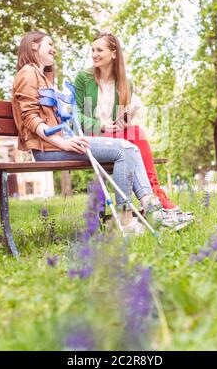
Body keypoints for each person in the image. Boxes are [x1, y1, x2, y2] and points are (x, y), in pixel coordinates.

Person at [12, 30, 182, 236]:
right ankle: (127, 220)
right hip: (47, 148)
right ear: (33, 46)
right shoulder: (27, 73)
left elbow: (58, 116)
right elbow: (30, 118)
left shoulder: (43, 77)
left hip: (59, 143)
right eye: (49, 44)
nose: (54, 49)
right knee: (125, 149)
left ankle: (152, 207)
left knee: (131, 144)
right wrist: (63, 142)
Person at [74, 31, 194, 224]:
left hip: (115, 135)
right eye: (93, 50)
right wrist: (100, 125)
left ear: (114, 53)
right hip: (91, 135)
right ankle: (153, 199)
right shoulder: (84, 78)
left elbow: (119, 120)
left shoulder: (125, 83)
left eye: (99, 50)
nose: (94, 54)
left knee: (135, 132)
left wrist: (125, 119)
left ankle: (153, 197)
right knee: (134, 137)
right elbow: (76, 115)